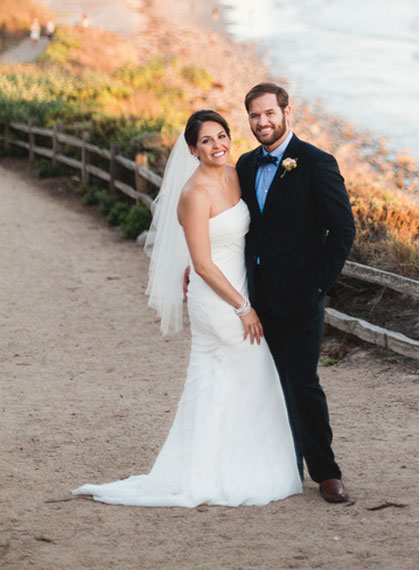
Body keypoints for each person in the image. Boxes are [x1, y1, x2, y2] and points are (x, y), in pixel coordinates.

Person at [73, 110, 301, 507]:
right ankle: (222, 473)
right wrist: (243, 307)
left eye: (222, 136)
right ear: (192, 150)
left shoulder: (234, 174)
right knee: (249, 370)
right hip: (219, 300)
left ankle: (230, 465)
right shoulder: (194, 194)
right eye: (207, 141)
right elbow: (203, 263)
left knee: (226, 380)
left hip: (236, 286)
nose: (218, 145)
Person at [236, 83, 356, 503]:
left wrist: (318, 286)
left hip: (303, 297)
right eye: (254, 116)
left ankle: (326, 472)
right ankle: (284, 465)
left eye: (269, 113)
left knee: (303, 383)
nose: (262, 122)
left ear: (287, 113)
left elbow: (342, 231)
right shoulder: (245, 165)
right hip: (258, 297)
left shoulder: (316, 163)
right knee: (266, 384)